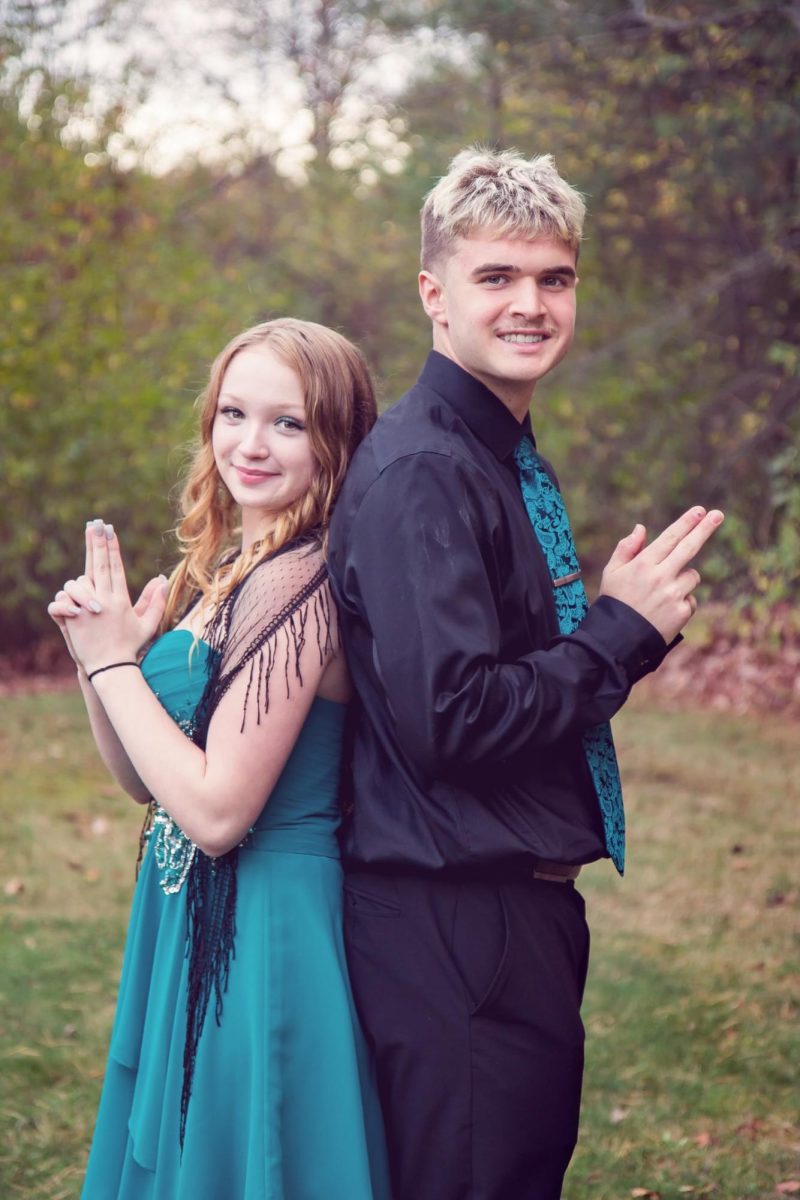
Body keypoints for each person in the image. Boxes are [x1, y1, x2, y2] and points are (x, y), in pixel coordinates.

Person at [327, 147, 725, 1200]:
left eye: (553, 278)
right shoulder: (425, 471)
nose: (529, 305)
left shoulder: (497, 450)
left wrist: (617, 630)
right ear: (433, 294)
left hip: (505, 912)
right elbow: (448, 718)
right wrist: (619, 633)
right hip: (452, 922)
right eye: (494, 277)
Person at [47, 318, 391, 1200]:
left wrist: (119, 662)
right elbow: (147, 786)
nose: (251, 443)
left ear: (338, 440)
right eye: (233, 412)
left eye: (289, 422)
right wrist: (100, 662)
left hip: (263, 926)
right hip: (185, 914)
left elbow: (216, 813)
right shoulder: (238, 566)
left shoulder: (303, 580)